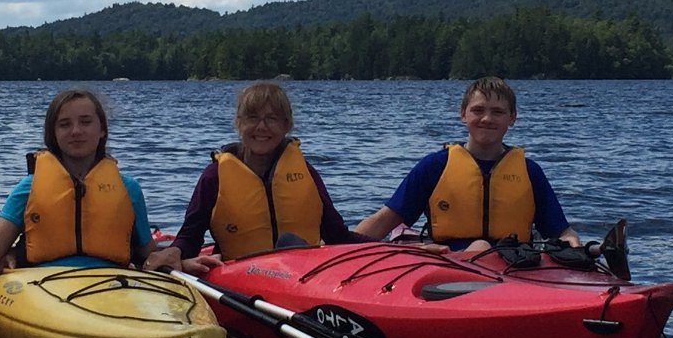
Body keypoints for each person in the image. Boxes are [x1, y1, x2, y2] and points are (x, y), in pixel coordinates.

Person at [0, 88, 179, 274]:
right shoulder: (28, 188)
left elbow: (147, 253)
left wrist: (176, 258)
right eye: (65, 124)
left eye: (86, 122)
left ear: (102, 131)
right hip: (44, 283)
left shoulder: (129, 189)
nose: (76, 131)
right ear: (54, 134)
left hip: (112, 284)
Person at [353, 76, 583, 252]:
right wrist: (340, 247)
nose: (487, 119)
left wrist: (574, 249)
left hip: (513, 266)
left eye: (497, 112)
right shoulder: (435, 166)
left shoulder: (530, 172)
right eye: (478, 110)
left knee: (482, 247)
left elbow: (561, 232)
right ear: (463, 114)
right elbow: (385, 220)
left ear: (512, 118)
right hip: (449, 265)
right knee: (479, 246)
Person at [170, 81, 362, 274]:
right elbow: (189, 238)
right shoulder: (214, 176)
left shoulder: (306, 173)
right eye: (252, 117)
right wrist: (180, 259)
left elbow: (337, 236)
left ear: (286, 125)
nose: (261, 127)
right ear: (239, 122)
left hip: (302, 277)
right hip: (238, 281)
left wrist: (386, 248)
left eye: (272, 118)